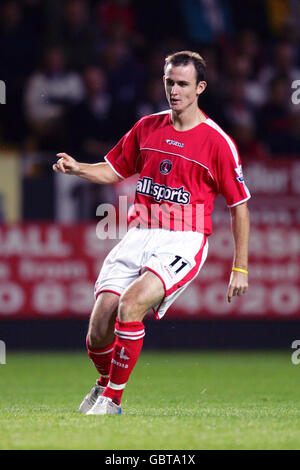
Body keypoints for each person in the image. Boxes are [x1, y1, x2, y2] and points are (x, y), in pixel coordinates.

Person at [53, 51, 250, 415]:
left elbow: (239, 206)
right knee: (99, 327)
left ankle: (112, 401)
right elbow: (113, 170)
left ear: (200, 88)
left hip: (184, 239)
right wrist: (77, 167)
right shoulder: (147, 127)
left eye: (183, 84)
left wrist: (240, 267)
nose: (174, 90)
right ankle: (104, 383)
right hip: (139, 234)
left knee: (130, 306)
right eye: (169, 82)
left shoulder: (217, 142)